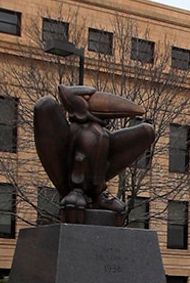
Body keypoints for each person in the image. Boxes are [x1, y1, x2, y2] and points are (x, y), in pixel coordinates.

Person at [50, 86, 155, 217]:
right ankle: (77, 190)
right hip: (75, 178)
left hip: (97, 178)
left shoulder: (102, 134)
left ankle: (97, 195)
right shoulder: (76, 131)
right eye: (88, 98)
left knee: (147, 131)